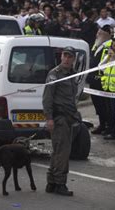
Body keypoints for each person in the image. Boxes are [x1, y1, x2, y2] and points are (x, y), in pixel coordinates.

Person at [42, 46, 82, 196]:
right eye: (64, 56)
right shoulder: (55, 74)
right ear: (61, 57)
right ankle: (59, 183)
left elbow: (72, 97)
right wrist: (49, 118)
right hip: (59, 119)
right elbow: (47, 98)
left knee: (58, 151)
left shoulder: (72, 74)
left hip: (68, 118)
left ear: (73, 59)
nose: (66, 59)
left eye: (69, 56)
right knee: (62, 152)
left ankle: (52, 182)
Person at [87, 25, 112, 135]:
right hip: (94, 80)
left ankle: (107, 125)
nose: (97, 35)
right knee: (98, 104)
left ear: (105, 35)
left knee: (104, 105)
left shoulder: (108, 47)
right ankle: (102, 124)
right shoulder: (98, 45)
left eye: (99, 33)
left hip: (101, 80)